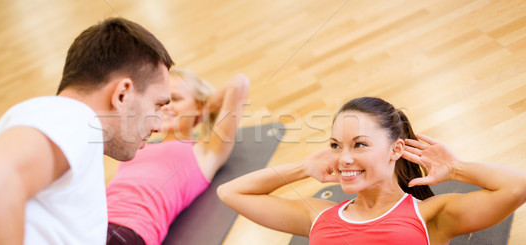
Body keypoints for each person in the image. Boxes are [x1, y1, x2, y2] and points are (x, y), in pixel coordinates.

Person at [0, 17, 174, 245]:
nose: (158, 126)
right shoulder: (74, 117)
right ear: (122, 94)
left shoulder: (66, 127)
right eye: (157, 105)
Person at [217, 97, 526, 244]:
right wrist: (303, 167)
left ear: (396, 150)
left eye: (359, 144)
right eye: (336, 146)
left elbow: (517, 187)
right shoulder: (319, 215)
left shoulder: (430, 216)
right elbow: (230, 192)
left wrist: (456, 169)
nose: (343, 158)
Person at [105, 68, 249, 245]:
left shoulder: (204, 152)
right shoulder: (138, 145)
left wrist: (201, 110)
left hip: (127, 232)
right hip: (89, 223)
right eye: (161, 101)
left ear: (199, 106)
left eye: (176, 99)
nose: (166, 106)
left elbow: (238, 84)